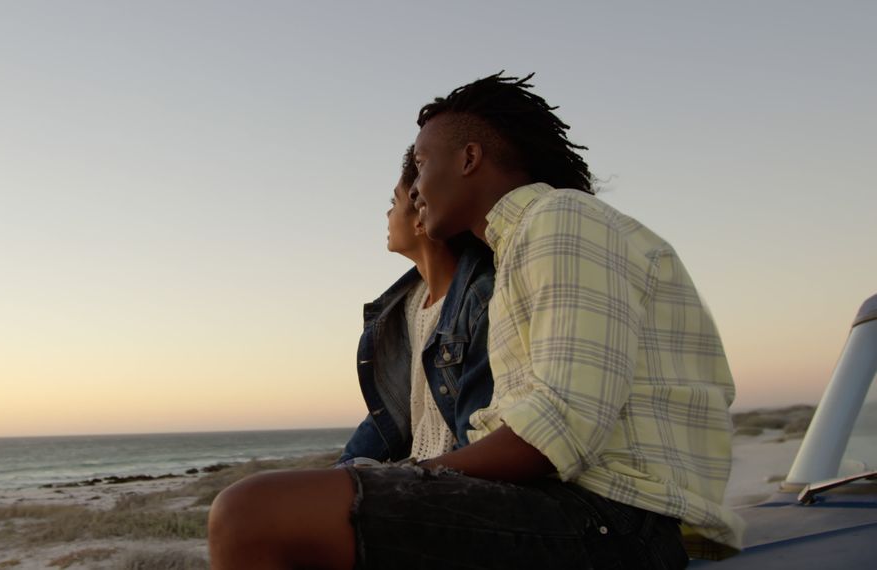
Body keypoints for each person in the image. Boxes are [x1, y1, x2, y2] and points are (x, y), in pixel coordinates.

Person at [207, 73, 742, 569]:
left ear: (469, 158)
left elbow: (558, 428)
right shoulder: (519, 249)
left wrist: (409, 478)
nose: (413, 187)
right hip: (575, 509)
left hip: (614, 521)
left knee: (251, 512)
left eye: (420, 163)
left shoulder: (560, 219)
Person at [339, 145, 495, 466]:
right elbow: (390, 412)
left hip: (450, 479)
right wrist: (338, 474)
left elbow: (479, 431)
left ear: (421, 217)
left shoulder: (481, 298)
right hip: (413, 472)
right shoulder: (405, 305)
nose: (387, 214)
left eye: (393, 203)